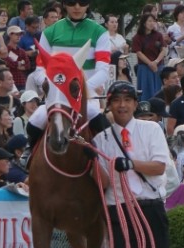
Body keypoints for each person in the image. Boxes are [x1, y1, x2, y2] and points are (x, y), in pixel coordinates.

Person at [92, 80, 180, 248]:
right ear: (109, 105)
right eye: (117, 100)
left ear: (135, 104)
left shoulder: (150, 129)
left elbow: (159, 166)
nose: (122, 105)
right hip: (119, 213)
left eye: (127, 100)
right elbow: (103, 184)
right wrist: (91, 161)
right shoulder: (99, 140)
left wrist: (131, 164)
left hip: (149, 208)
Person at [22, 0, 111, 166]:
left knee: (102, 123)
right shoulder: (49, 32)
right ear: (64, 5)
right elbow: (40, 69)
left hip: (85, 98)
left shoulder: (100, 32)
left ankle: (110, 161)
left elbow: (103, 71)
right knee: (34, 122)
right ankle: (29, 153)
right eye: (71, 2)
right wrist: (52, 87)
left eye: (82, 2)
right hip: (56, 97)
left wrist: (80, 91)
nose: (77, 7)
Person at [132, 13, 166, 101]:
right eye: (149, 21)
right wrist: (150, 63)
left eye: (153, 21)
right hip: (145, 67)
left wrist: (156, 62)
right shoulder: (137, 37)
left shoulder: (158, 35)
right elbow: (139, 53)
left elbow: (163, 50)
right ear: (144, 23)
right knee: (146, 90)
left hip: (158, 66)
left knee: (159, 90)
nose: (152, 23)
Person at [5, 25, 30, 91]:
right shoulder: (5, 50)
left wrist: (17, 64)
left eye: (20, 34)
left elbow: (27, 65)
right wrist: (21, 63)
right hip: (9, 83)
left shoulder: (22, 51)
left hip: (22, 82)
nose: (19, 36)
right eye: (16, 34)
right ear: (10, 35)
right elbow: (10, 63)